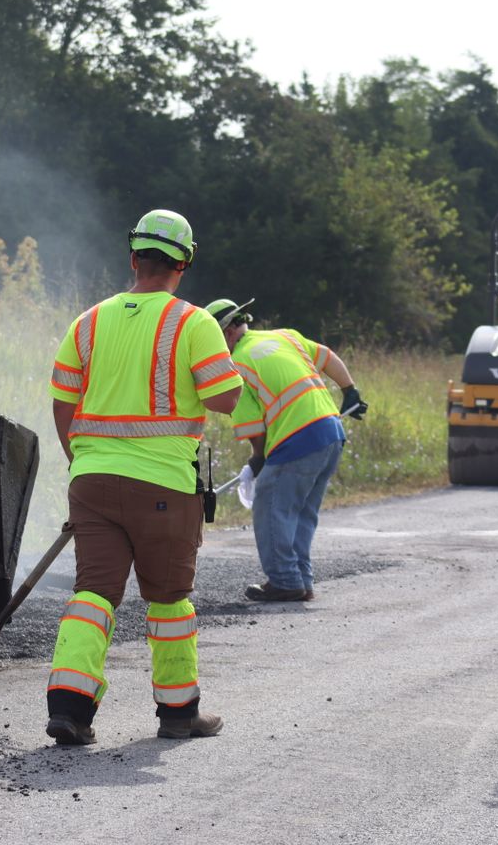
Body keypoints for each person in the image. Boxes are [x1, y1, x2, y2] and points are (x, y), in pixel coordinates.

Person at [44, 209, 241, 746]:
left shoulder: (88, 322)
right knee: (169, 598)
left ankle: (70, 709)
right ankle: (179, 714)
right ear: (184, 264)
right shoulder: (194, 323)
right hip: (164, 487)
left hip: (92, 481)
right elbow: (224, 398)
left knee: (93, 593)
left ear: (133, 258)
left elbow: (62, 400)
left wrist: (81, 460)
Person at [206, 298, 367, 602]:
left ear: (226, 333)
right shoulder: (285, 336)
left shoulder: (235, 366)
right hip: (331, 433)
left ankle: (284, 580)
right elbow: (328, 356)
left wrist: (257, 460)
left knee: (271, 506)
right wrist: (349, 391)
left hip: (298, 439)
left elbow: (254, 430)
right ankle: (300, 579)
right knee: (301, 512)